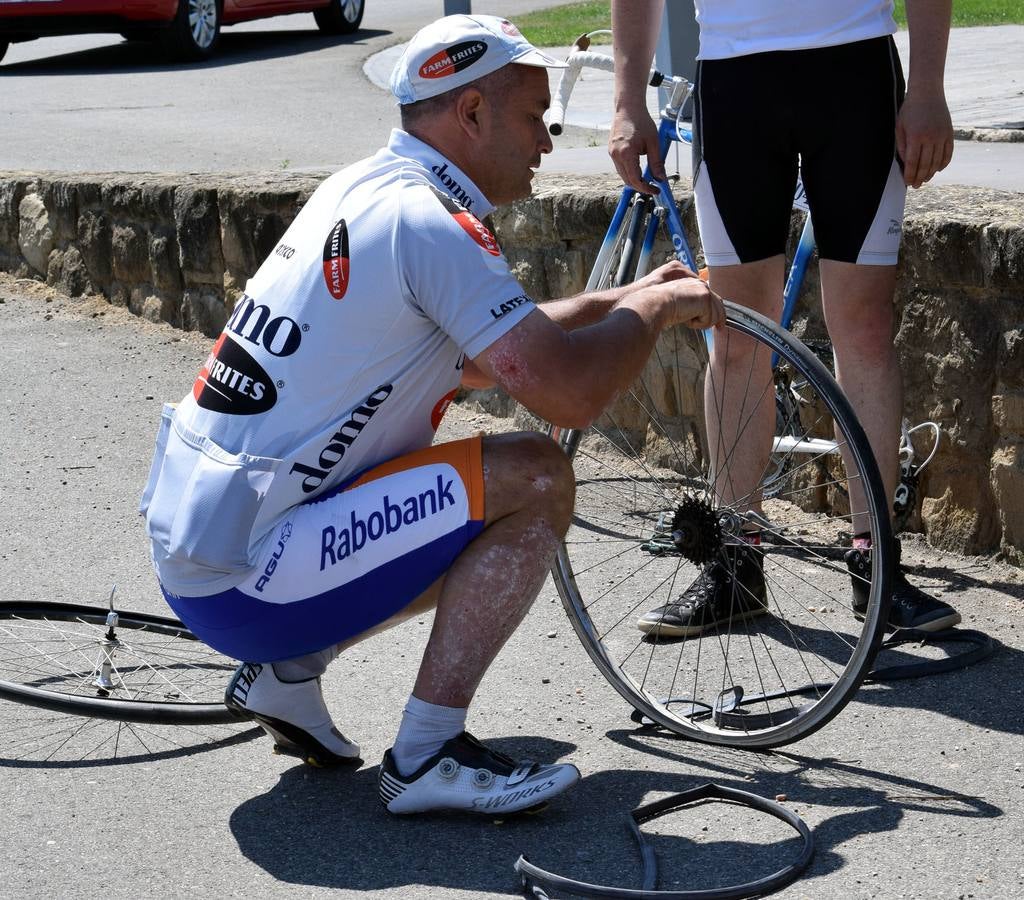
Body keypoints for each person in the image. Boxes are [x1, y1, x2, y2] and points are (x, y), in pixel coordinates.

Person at [139, 14, 723, 817]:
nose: (547, 144)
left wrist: (620, 298)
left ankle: (287, 674)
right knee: (536, 478)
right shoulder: (430, 224)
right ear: (472, 113)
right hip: (250, 581)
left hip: (205, 549)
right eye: (534, 118)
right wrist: (654, 311)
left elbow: (487, 350)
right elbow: (567, 395)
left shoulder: (367, 188)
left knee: (471, 495)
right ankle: (425, 755)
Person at [607, 0, 962, 638]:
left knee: (866, 330)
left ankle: (876, 564)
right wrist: (628, 100)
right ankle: (734, 566)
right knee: (737, 331)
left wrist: (930, 87)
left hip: (853, 66)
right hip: (736, 74)